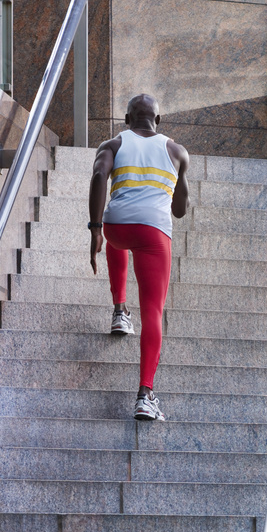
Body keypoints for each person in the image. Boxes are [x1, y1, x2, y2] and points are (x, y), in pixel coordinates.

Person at [88, 93, 189, 421]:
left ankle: (119, 310)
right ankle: (145, 394)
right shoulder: (177, 152)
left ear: (127, 120)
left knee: (118, 235)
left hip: (116, 226)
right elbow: (180, 210)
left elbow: (99, 177)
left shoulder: (113, 144)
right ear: (158, 122)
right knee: (153, 313)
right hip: (153, 234)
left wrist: (95, 229)